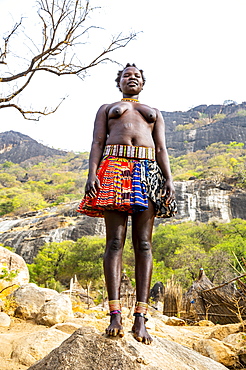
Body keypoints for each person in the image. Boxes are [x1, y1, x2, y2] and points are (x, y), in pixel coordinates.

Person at [77, 63, 177, 344]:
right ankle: (115, 315)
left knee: (144, 244)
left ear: (143, 84)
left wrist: (169, 179)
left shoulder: (153, 112)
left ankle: (141, 319)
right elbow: (97, 142)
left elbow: (160, 148)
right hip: (114, 168)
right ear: (118, 83)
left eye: (136, 76)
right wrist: (92, 173)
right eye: (126, 75)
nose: (131, 78)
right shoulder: (107, 108)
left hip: (147, 171)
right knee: (114, 243)